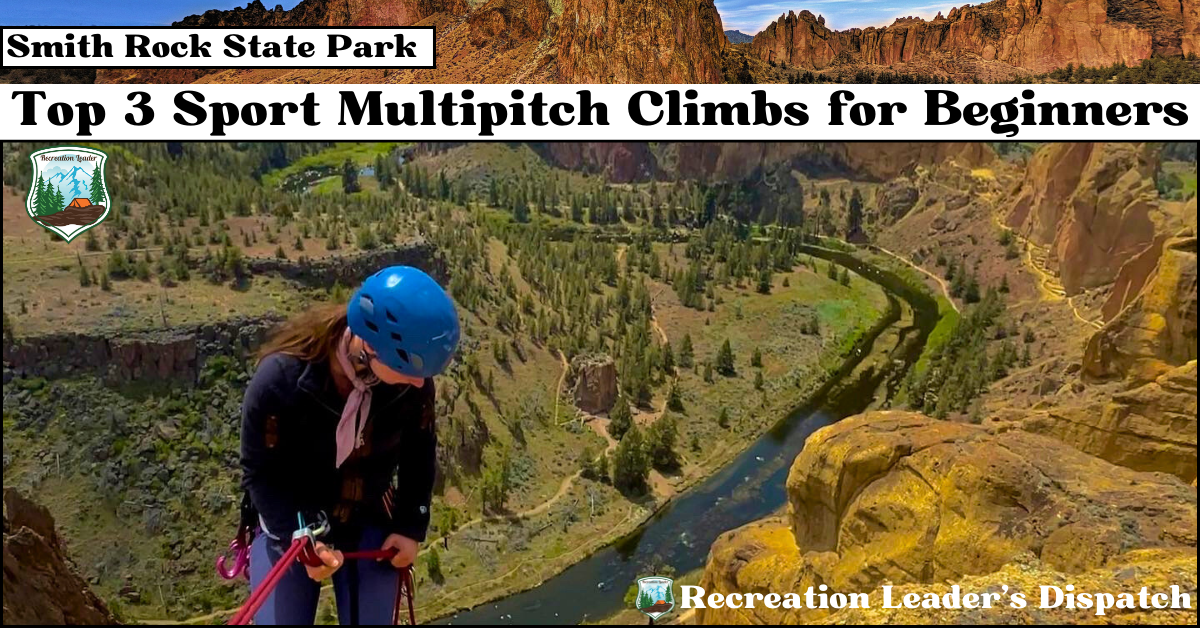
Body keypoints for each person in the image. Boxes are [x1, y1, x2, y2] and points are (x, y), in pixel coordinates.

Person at [240, 266, 459, 625]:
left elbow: (419, 451)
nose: (420, 383)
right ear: (371, 346)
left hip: (366, 515)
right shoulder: (280, 380)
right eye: (410, 370)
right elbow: (260, 471)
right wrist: (298, 536)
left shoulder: (408, 384)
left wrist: (410, 528)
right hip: (289, 522)